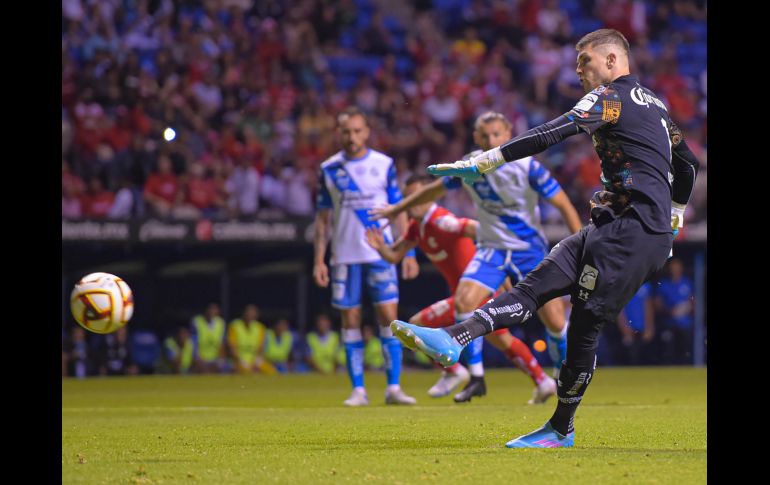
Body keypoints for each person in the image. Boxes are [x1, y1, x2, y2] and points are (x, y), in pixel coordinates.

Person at [391, 29, 700, 448]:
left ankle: (561, 428)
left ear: (612, 61)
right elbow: (687, 165)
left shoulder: (611, 96)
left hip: (635, 231)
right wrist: (677, 212)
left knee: (583, 327)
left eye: (584, 62)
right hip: (611, 224)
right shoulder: (658, 106)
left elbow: (555, 131)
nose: (578, 71)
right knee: (536, 283)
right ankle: (454, 339)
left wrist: (487, 160)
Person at [371, 111, 582, 402]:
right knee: (464, 301)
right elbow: (433, 189)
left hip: (528, 251)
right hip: (492, 250)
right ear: (476, 137)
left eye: (496, 134)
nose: (491, 140)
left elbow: (565, 205)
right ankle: (475, 375)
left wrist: (581, 252)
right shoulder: (471, 165)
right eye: (485, 135)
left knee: (556, 323)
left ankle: (562, 371)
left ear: (508, 133)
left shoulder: (527, 167)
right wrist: (396, 210)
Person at [367, 173, 558, 404]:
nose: (411, 203)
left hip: (477, 292)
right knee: (501, 340)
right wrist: (379, 247)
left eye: (416, 196)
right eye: (408, 197)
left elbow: (475, 228)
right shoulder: (417, 227)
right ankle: (542, 381)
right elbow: (394, 255)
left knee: (417, 324)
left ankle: (454, 371)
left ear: (429, 196)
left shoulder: (440, 220)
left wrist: (502, 258)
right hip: (470, 295)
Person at [313, 106, 418, 406]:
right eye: (346, 131)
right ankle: (358, 389)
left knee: (389, 317)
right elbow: (322, 219)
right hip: (344, 255)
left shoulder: (383, 164)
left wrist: (406, 252)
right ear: (339, 133)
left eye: (357, 130)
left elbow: (399, 211)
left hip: (380, 253)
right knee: (351, 319)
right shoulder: (329, 169)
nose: (352, 136)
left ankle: (393, 388)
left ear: (367, 132)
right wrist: (319, 260)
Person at [655, 258, 695, 365]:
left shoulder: (687, 283)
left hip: (685, 324)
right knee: (669, 349)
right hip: (669, 323)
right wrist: (670, 311)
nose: (675, 270)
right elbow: (658, 304)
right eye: (673, 268)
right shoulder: (664, 284)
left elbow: (694, 301)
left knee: (686, 349)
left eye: (677, 267)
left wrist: (687, 307)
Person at [616, 282, 655, 365]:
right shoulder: (623, 285)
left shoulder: (646, 286)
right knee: (628, 357)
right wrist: (624, 327)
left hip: (642, 328)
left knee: (643, 357)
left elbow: (648, 308)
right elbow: (619, 309)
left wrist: (649, 328)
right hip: (627, 328)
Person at [227, 304, 268, 374]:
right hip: (238, 361)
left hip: (254, 362)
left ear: (256, 316)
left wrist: (257, 362)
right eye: (248, 314)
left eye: (252, 314)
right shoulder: (234, 326)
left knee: (271, 372)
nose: (250, 316)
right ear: (244, 314)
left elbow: (261, 348)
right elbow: (232, 349)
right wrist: (242, 362)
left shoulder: (260, 328)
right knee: (247, 372)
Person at [190, 302, 226, 374]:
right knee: (201, 369)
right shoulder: (197, 322)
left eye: (214, 309)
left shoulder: (221, 323)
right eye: (210, 309)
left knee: (224, 367)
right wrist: (198, 358)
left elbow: (221, 343)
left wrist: (220, 360)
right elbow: (193, 343)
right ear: (205, 310)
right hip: (200, 358)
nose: (211, 311)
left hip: (214, 359)